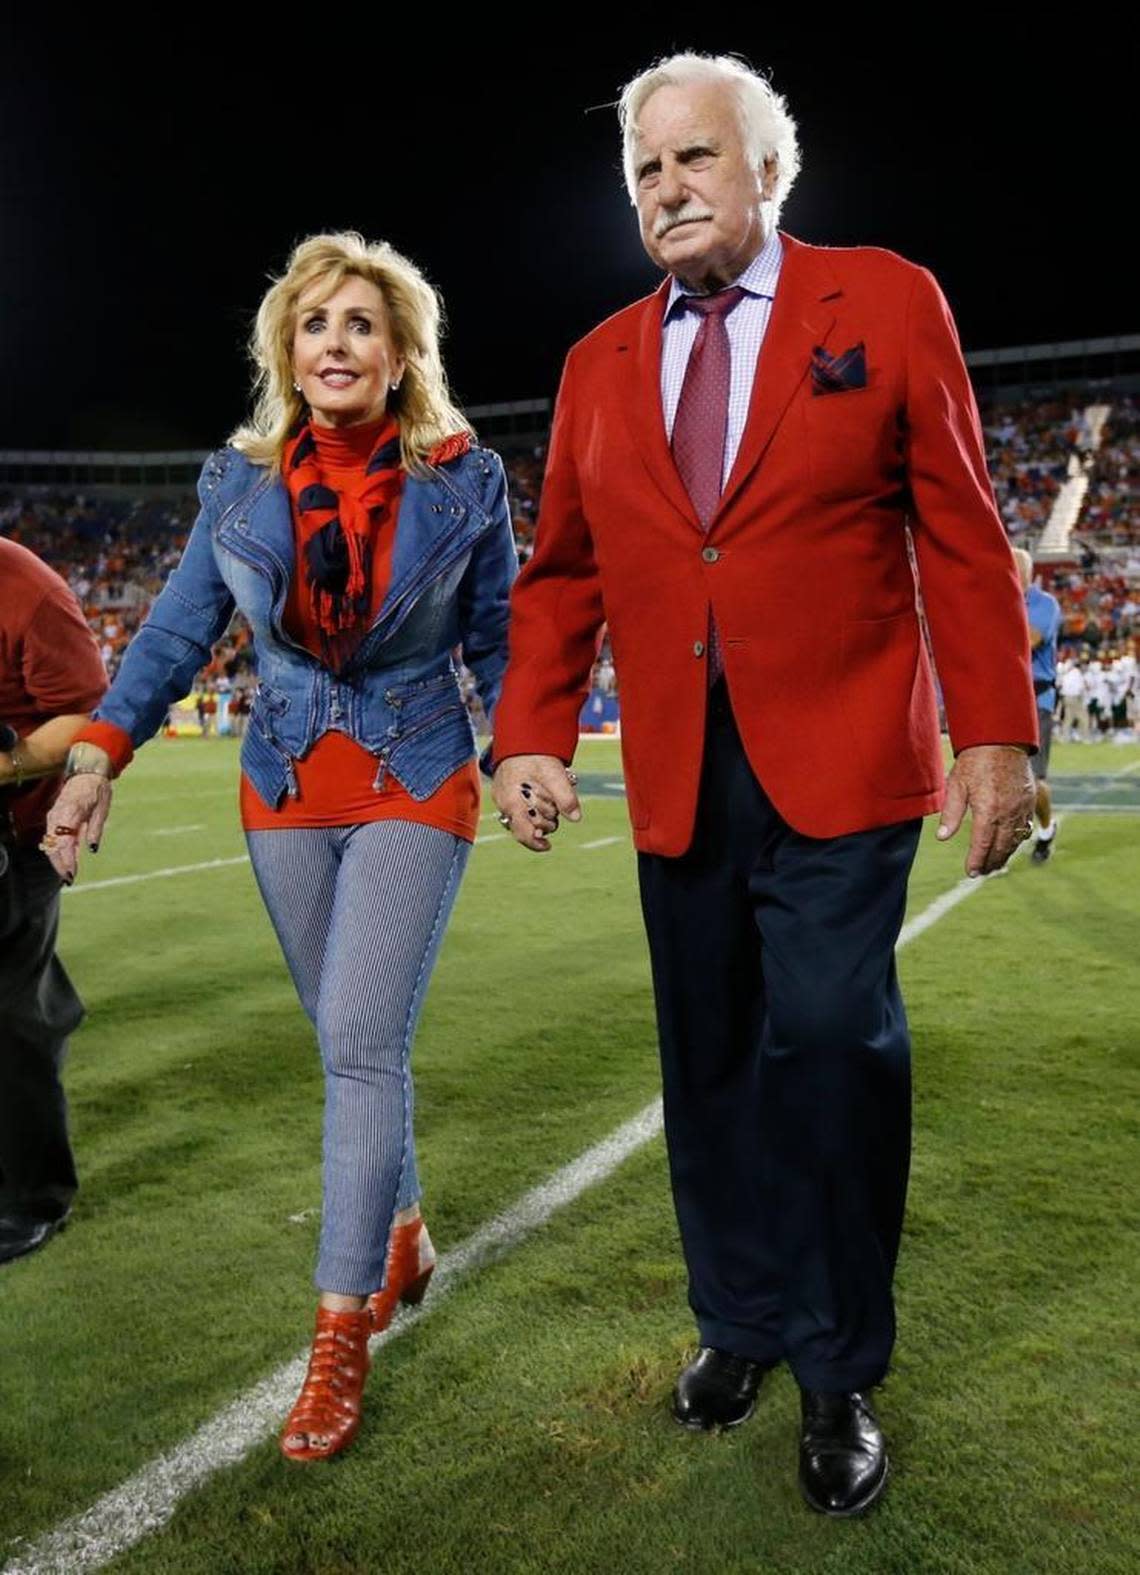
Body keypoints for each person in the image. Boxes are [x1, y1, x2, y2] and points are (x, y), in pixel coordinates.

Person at [490, 53, 1037, 1517]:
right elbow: (560, 576)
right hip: (677, 769)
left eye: (693, 159)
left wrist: (997, 732)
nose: (667, 189)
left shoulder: (888, 299)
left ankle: (838, 1361)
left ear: (769, 171)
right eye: (644, 171)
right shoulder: (600, 360)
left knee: (829, 1037)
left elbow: (965, 532)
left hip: (847, 754)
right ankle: (737, 1317)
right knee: (710, 1051)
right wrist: (533, 730)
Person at [43, 232, 516, 1461]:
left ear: (402, 350)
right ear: (287, 353)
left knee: (360, 1048)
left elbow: (502, 639)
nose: (337, 345)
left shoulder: (467, 480)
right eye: (315, 326)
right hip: (285, 785)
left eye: (361, 324)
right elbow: (171, 635)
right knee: (351, 1045)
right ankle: (403, 1226)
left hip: (417, 775)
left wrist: (523, 748)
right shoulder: (238, 486)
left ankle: (337, 1337)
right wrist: (96, 759)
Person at [0, 538, 108, 1265]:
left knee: (10, 1017)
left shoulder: (26, 588)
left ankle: (33, 1195)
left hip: (13, 828)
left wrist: (6, 761)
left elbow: (87, 716)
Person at [1012, 549, 1061, 862]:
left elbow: (1029, 640)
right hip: (1005, 699)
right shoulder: (995, 602)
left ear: (1029, 574)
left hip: (1036, 699)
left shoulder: (1045, 604)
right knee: (1004, 776)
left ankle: (1045, 829)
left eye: (1016, 568)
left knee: (1034, 780)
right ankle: (1008, 842)